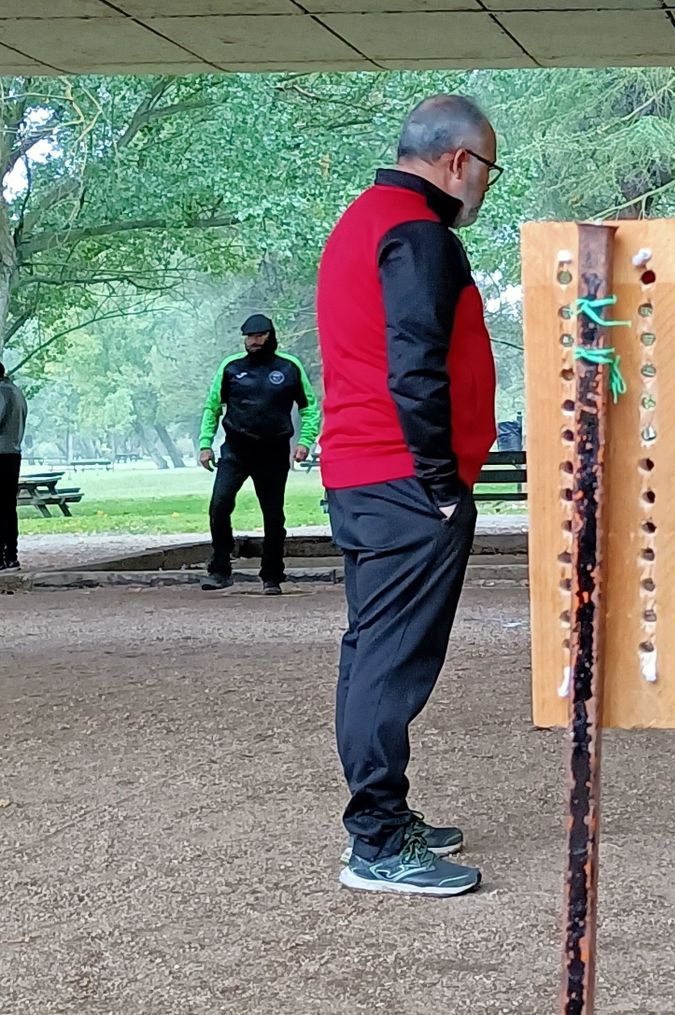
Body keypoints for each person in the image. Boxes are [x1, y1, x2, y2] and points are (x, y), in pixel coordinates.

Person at [317, 94, 500, 897]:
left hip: (366, 473)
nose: (485, 186)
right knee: (390, 662)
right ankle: (379, 842)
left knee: (371, 651)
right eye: (488, 169)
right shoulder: (417, 232)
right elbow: (415, 363)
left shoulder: (364, 219)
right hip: (402, 479)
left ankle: (383, 820)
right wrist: (442, 483)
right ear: (458, 161)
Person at [197, 314, 320, 594]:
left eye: (259, 335)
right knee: (219, 505)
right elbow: (212, 407)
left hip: (274, 452)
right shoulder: (231, 367)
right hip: (236, 451)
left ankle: (272, 575)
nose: (253, 341)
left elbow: (309, 408)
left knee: (273, 515)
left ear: (270, 336)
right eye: (249, 337)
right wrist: (205, 444)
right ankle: (220, 570)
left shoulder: (289, 367)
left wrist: (305, 441)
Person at [0, 363, 27, 572]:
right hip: (13, 453)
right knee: (8, 507)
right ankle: (11, 555)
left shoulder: (1, 392)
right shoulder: (17, 392)